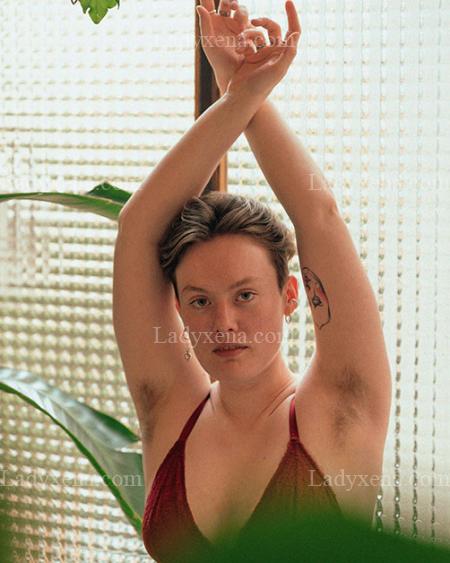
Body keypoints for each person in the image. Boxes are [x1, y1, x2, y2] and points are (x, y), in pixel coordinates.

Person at [112, 1, 392, 561]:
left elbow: (318, 217)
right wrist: (237, 96)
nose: (224, 323)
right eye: (199, 301)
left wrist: (247, 91)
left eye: (245, 295)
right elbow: (137, 228)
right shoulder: (170, 408)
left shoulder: (341, 407)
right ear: (178, 310)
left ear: (290, 296)